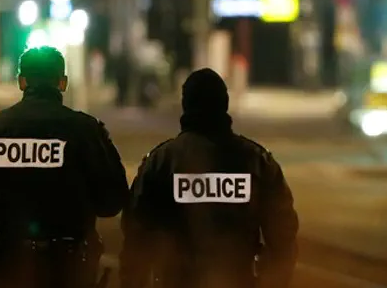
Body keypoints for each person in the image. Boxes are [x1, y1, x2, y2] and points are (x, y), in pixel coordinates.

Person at [0, 46, 129, 288]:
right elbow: (112, 201)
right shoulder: (85, 131)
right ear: (62, 83)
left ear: (22, 82)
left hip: (10, 265)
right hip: (71, 268)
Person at [119, 68, 299, 288]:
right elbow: (284, 237)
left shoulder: (161, 162)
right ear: (224, 104)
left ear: (186, 105)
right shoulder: (257, 162)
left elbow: (136, 236)